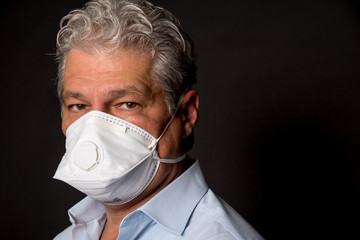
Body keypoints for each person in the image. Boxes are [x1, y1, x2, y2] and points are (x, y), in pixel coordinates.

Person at [53, 0, 264, 239]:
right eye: (79, 106)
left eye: (128, 104)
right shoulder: (70, 235)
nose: (95, 128)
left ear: (186, 115)